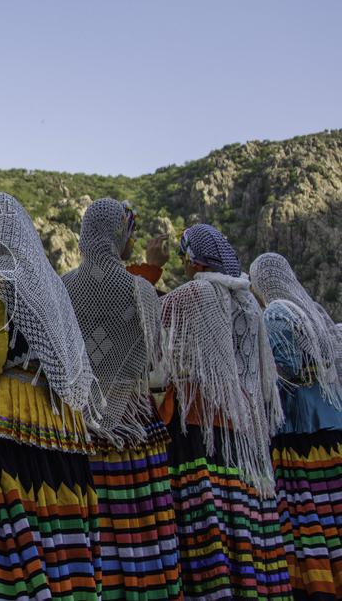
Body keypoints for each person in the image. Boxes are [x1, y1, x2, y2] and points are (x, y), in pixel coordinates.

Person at [0, 191, 101, 600]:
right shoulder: (49, 282)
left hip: (6, 414)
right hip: (56, 416)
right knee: (54, 518)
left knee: (7, 523)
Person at [158, 224, 291, 599]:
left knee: (210, 515)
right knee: (244, 514)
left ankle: (217, 587)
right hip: (244, 425)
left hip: (203, 423)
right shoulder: (247, 300)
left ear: (190, 258)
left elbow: (150, 323)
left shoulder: (194, 294)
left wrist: (150, 270)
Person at [62, 198, 182, 599]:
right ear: (118, 234)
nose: (131, 241)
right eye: (129, 232)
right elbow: (157, 361)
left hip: (81, 428)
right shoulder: (140, 289)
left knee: (92, 529)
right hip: (133, 426)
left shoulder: (62, 288)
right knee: (140, 521)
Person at [251, 252, 342, 599]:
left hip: (301, 433)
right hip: (331, 424)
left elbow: (285, 368)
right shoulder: (313, 310)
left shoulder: (276, 313)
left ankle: (317, 584)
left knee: (310, 515)